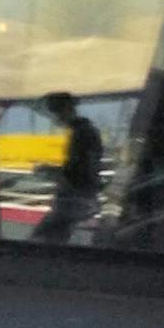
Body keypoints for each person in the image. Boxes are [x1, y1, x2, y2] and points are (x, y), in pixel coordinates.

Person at [35, 90, 105, 245]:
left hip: (75, 202)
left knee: (39, 242)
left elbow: (81, 171)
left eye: (55, 112)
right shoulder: (82, 132)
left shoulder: (83, 133)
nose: (54, 118)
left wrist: (52, 172)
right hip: (77, 201)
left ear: (66, 110)